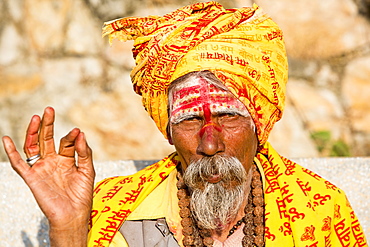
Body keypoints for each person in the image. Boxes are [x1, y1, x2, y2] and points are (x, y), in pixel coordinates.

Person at [2, 2, 367, 247]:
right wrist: (68, 228)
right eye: (191, 120)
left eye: (227, 116)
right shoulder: (114, 209)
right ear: (169, 131)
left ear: (259, 121)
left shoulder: (320, 211)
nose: (210, 144)